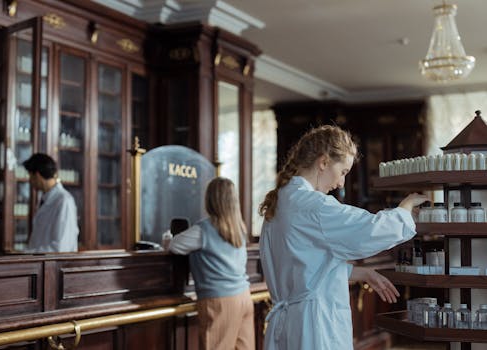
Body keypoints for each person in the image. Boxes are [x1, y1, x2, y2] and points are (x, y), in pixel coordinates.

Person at [258, 125, 429, 350]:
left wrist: (359, 272)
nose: (341, 183)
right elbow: (369, 230)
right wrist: (405, 208)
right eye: (343, 172)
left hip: (291, 322)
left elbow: (305, 264)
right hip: (314, 326)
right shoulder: (313, 206)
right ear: (324, 162)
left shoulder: (281, 201)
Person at [169, 177, 254, 350]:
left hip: (220, 301)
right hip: (244, 296)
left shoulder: (203, 229)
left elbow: (174, 245)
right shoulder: (239, 229)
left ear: (210, 200)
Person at [23, 153, 79, 253]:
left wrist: (27, 254)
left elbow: (62, 247)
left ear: (37, 175)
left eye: (30, 176)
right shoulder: (45, 199)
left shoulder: (64, 201)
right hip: (40, 265)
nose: (30, 181)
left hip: (54, 266)